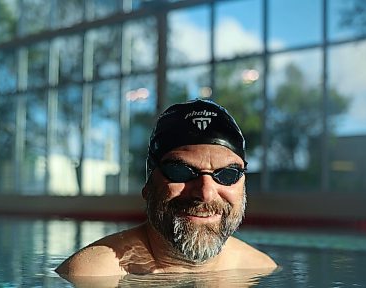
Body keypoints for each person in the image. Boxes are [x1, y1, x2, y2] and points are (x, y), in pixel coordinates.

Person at [57, 99, 277, 277]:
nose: (206, 193)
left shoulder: (260, 268)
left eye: (228, 174)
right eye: (181, 171)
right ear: (148, 184)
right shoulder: (92, 274)